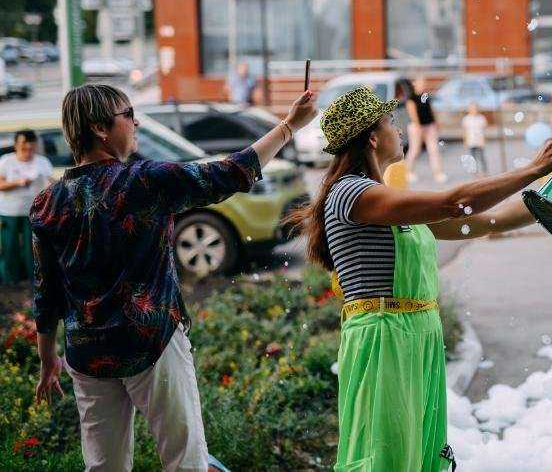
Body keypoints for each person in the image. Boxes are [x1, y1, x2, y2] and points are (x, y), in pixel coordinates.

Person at [30, 83, 317, 471]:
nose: (135, 123)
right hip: (152, 343)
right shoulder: (143, 182)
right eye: (128, 114)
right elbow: (231, 172)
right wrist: (288, 127)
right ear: (100, 128)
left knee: (103, 466)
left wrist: (48, 358)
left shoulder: (47, 203)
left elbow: (46, 291)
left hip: (87, 354)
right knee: (185, 460)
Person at [289, 86, 552, 471]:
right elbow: (453, 203)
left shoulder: (387, 200)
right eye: (391, 123)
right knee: (386, 455)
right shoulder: (352, 193)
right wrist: (532, 169)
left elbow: (488, 221)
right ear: (372, 138)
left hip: (417, 333)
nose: (400, 131)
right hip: (383, 336)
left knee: (421, 455)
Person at [0, 130, 53, 284]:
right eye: (24, 145)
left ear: (35, 146)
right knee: (10, 247)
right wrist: (19, 182)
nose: (27, 149)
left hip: (34, 213)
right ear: (16, 145)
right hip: (9, 212)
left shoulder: (42, 161)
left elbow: (50, 182)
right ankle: (10, 281)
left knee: (33, 249)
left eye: (31, 146)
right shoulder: (6, 161)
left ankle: (34, 281)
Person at [404, 76, 448, 185]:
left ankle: (438, 173)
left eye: (424, 82)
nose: (424, 84)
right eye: (421, 82)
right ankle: (407, 172)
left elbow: (431, 110)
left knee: (434, 150)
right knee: (415, 150)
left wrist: (436, 122)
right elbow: (413, 113)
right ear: (415, 84)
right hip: (416, 127)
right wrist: (419, 127)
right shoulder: (411, 98)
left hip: (430, 126)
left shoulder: (426, 96)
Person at [461, 101, 489, 176]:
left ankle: (484, 171)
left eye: (475, 108)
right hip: (471, 141)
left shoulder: (481, 118)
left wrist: (484, 139)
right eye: (472, 108)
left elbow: (484, 130)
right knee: (472, 157)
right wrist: (465, 141)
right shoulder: (466, 119)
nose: (474, 110)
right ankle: (475, 172)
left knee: (481, 156)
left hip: (479, 140)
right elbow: (464, 131)